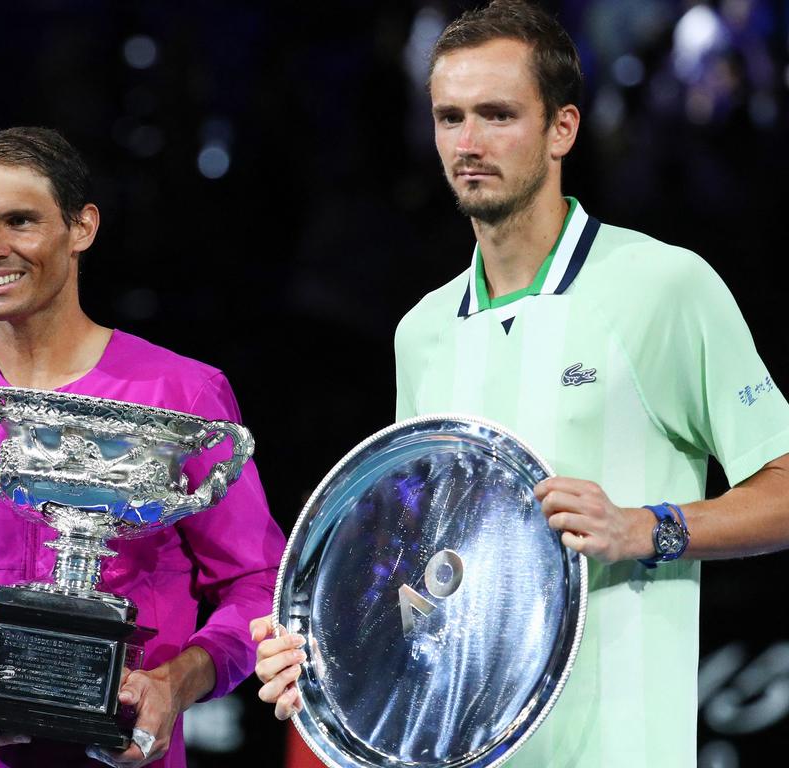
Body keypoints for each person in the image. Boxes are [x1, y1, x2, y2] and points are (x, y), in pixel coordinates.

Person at [251, 2, 789, 766]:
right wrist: (327, 654)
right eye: (450, 117)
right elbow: (423, 579)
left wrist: (648, 529)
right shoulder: (423, 331)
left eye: (497, 115)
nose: (467, 144)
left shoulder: (665, 286)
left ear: (561, 129)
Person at [0, 126, 286, 768]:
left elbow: (258, 584)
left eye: (19, 221)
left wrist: (172, 687)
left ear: (83, 228)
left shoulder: (180, 390)